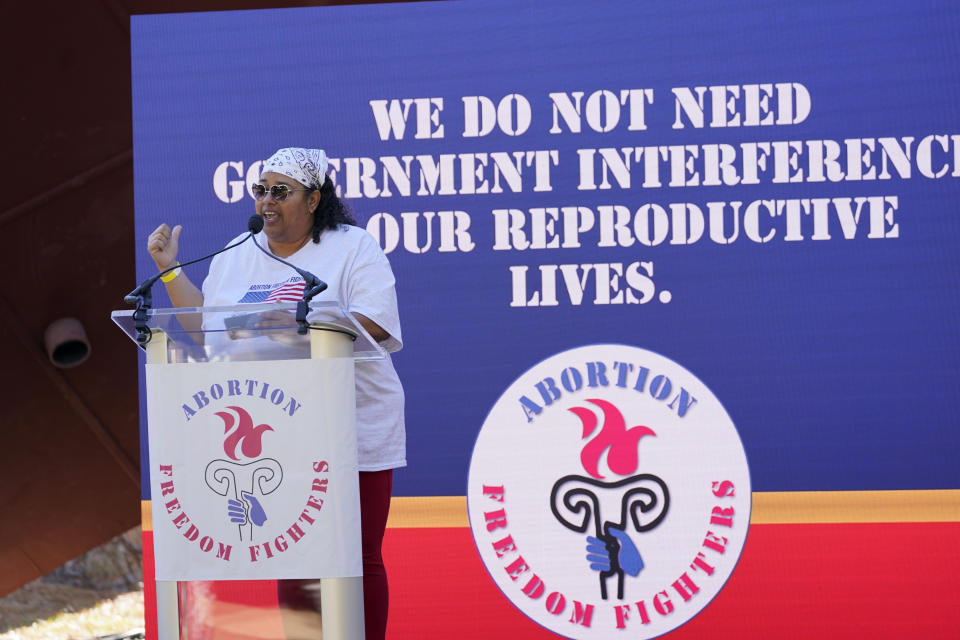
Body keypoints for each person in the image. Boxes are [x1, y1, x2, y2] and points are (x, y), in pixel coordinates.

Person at [146, 147, 405, 640]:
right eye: (260, 190)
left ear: (313, 199)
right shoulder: (238, 252)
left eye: (280, 192)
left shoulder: (352, 247)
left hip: (351, 425)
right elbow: (204, 330)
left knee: (357, 552)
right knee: (297, 554)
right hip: (277, 428)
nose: (266, 201)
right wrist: (171, 270)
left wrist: (301, 326)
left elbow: (376, 320)